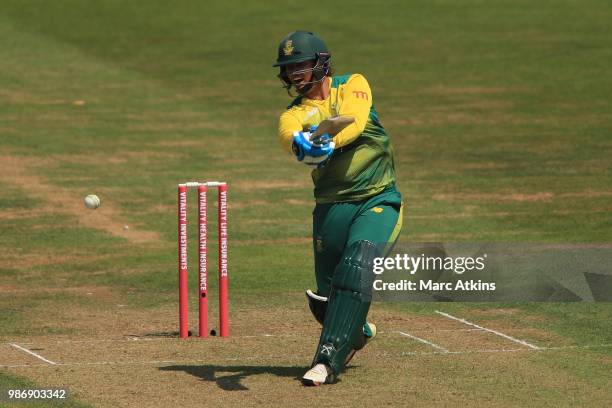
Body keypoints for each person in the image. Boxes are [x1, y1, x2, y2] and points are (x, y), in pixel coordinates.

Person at [274, 30, 403, 386]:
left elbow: (356, 120)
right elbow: (289, 134)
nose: (295, 75)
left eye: (300, 66)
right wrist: (300, 144)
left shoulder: (353, 84)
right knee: (327, 301)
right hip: (330, 208)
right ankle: (356, 330)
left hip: (378, 198)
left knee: (357, 264)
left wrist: (328, 141)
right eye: (289, 69)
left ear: (321, 63)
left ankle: (325, 363)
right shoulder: (293, 113)